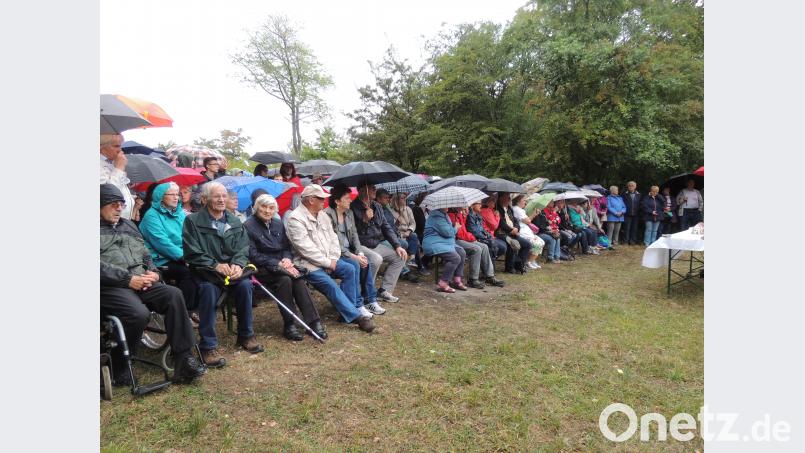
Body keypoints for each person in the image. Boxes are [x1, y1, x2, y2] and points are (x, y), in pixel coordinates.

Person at [100, 184, 205, 386]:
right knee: (138, 314)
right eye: (113, 204)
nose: (119, 208)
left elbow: (146, 253)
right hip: (112, 287)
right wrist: (128, 279)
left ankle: (184, 359)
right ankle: (119, 364)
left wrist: (154, 272)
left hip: (142, 280)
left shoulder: (129, 225)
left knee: (174, 294)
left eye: (121, 204)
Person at [183, 182, 264, 368]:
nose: (221, 199)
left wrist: (237, 263)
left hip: (232, 273)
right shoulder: (193, 221)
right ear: (205, 199)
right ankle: (207, 346)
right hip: (206, 272)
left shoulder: (234, 221)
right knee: (209, 291)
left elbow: (243, 247)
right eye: (216, 196)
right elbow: (191, 251)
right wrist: (215, 265)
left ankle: (246, 335)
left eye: (224, 196)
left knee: (245, 286)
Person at [285, 185, 375, 332]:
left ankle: (345, 311)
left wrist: (332, 259)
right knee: (329, 284)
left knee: (350, 268)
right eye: (321, 199)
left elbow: (334, 239)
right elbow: (306, 250)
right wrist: (327, 262)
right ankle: (355, 317)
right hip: (308, 265)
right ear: (311, 200)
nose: (324, 201)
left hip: (329, 259)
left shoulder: (322, 215)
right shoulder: (295, 219)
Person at [244, 194, 327, 341]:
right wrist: (278, 263)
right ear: (257, 208)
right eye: (264, 207)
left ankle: (314, 322)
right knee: (285, 280)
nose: (267, 211)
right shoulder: (248, 226)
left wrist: (287, 259)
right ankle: (290, 324)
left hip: (283, 265)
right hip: (261, 268)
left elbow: (286, 247)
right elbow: (252, 255)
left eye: (271, 208)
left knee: (298, 279)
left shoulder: (277, 223)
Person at [324, 184, 385, 316]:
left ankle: (370, 300)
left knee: (365, 261)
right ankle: (357, 304)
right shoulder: (327, 215)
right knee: (356, 264)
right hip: (335, 253)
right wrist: (354, 256)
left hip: (349, 251)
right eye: (347, 198)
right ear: (337, 201)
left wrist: (360, 253)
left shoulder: (349, 213)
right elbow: (332, 244)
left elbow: (355, 236)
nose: (351, 200)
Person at [139, 182, 197, 313]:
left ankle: (200, 307)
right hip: (160, 259)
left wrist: (195, 253)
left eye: (178, 194)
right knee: (188, 272)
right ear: (160, 196)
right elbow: (162, 243)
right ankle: (186, 311)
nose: (176, 197)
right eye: (172, 194)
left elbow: (190, 235)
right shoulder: (151, 216)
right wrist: (185, 258)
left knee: (202, 268)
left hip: (182, 255)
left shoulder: (179, 213)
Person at [351, 184, 408, 302]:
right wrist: (364, 220)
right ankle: (367, 294)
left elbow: (386, 227)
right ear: (362, 190)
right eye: (372, 188)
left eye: (375, 188)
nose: (374, 190)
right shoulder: (352, 207)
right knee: (376, 259)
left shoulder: (377, 206)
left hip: (376, 245)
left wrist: (397, 245)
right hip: (360, 246)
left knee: (400, 256)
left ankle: (384, 291)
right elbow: (352, 233)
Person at [448, 207, 505, 288]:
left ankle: (489, 276)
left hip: (465, 238)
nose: (466, 206)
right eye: (463, 205)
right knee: (476, 249)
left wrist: (464, 217)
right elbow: (459, 234)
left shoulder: (459, 214)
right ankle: (473, 279)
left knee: (484, 247)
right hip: (456, 240)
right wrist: (472, 238)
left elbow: (464, 230)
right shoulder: (451, 216)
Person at [375, 188, 420, 283]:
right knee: (401, 245)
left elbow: (412, 223)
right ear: (378, 199)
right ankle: (405, 271)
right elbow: (382, 227)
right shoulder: (379, 209)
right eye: (385, 198)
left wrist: (404, 229)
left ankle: (410, 262)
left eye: (388, 197)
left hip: (396, 234)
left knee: (412, 238)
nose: (388, 199)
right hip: (382, 238)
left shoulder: (388, 208)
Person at [423, 207, 467, 293]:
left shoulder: (443, 215)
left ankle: (457, 279)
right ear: (440, 206)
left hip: (444, 242)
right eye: (446, 205)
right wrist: (456, 228)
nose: (448, 207)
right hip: (433, 243)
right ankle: (443, 283)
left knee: (462, 252)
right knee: (455, 258)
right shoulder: (437, 217)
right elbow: (448, 233)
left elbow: (448, 232)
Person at [389, 191, 426, 274]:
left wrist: (409, 230)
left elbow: (413, 223)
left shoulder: (408, 209)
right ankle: (416, 264)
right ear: (396, 200)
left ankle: (412, 258)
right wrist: (397, 222)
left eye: (405, 197)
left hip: (408, 232)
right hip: (398, 234)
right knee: (415, 240)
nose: (405, 199)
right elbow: (390, 227)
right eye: (402, 198)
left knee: (413, 236)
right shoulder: (391, 211)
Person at [100, 133, 134, 219]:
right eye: (116, 146)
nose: (120, 150)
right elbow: (109, 194)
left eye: (120, 146)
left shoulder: (111, 163)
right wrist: (119, 168)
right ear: (102, 148)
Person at [495, 192, 531, 274]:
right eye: (507, 197)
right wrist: (511, 230)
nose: (509, 199)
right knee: (512, 243)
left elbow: (515, 221)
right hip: (502, 233)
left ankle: (520, 265)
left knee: (527, 244)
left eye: (509, 197)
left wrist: (517, 228)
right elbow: (501, 223)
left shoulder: (509, 208)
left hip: (513, 232)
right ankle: (509, 267)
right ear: (501, 198)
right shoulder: (497, 209)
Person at [467, 198, 508, 264]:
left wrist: (487, 236)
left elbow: (481, 228)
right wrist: (497, 217)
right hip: (481, 237)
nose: (481, 205)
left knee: (502, 246)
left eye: (481, 203)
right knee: (498, 246)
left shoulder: (480, 214)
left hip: (487, 235)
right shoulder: (485, 211)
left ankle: (490, 265)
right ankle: (489, 266)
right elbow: (494, 226)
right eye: (479, 203)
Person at [512, 194, 546, 269]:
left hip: (526, 231)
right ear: (518, 201)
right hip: (522, 232)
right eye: (524, 200)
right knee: (538, 243)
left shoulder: (520, 210)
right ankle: (528, 262)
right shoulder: (516, 209)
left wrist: (534, 214)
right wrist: (534, 214)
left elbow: (527, 220)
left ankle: (532, 260)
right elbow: (527, 221)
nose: (525, 202)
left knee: (541, 242)